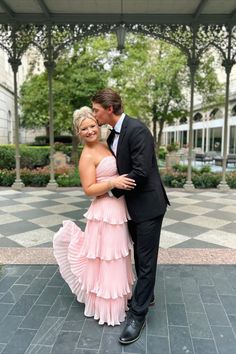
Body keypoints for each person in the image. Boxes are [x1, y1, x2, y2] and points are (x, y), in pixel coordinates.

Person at [92, 88, 170, 344]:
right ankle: (147, 294)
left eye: (96, 110)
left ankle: (137, 315)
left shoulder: (137, 130)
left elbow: (141, 171)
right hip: (131, 207)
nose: (95, 115)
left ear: (109, 109)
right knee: (138, 254)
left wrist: (109, 191)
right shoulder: (113, 134)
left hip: (148, 206)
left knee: (146, 262)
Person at [53, 106, 136, 326]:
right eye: (83, 129)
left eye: (91, 125)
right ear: (78, 133)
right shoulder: (87, 156)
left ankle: (119, 301)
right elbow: (88, 189)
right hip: (104, 212)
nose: (89, 131)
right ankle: (107, 309)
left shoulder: (105, 145)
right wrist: (113, 182)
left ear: (97, 125)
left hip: (118, 208)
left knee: (117, 257)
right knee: (107, 258)